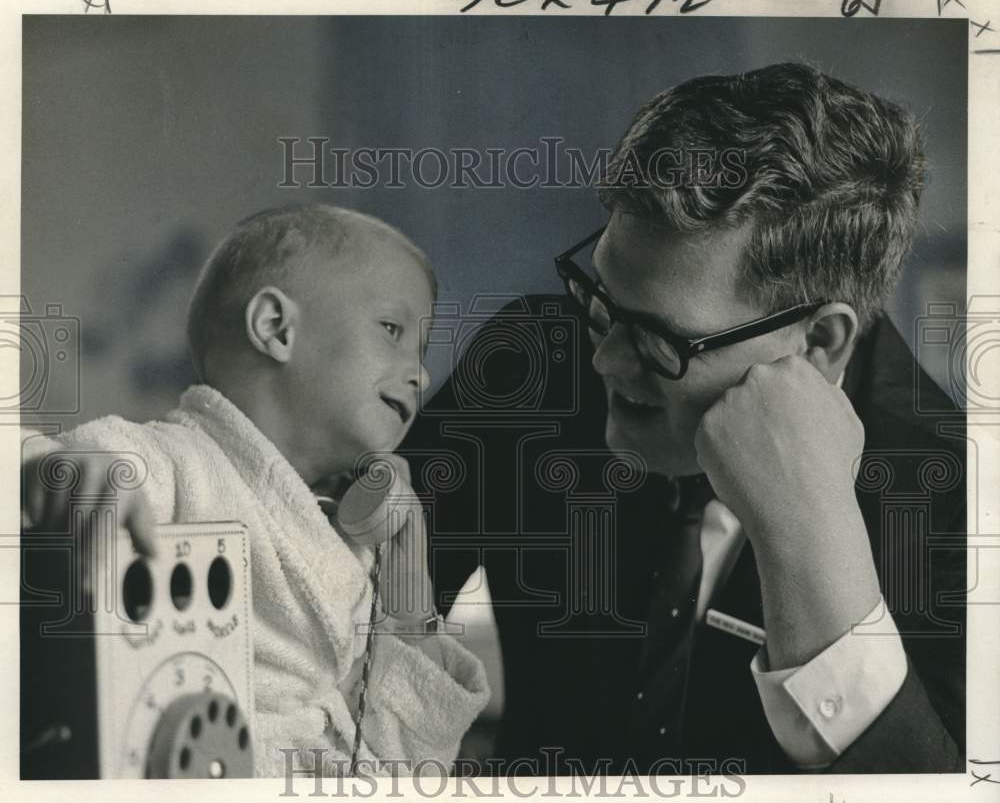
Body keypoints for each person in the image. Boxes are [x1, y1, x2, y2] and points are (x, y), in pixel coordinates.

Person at [403, 63, 965, 774]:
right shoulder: (531, 366)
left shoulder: (960, 495)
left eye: (662, 339)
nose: (605, 359)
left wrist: (805, 531)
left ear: (820, 341)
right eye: (600, 296)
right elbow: (349, 601)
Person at [21, 204, 490, 776]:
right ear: (276, 327)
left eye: (422, 351)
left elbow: (406, 769)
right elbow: (93, 460)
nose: (418, 372)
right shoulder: (184, 463)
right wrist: (75, 472)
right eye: (392, 331)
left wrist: (410, 614)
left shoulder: (350, 543)